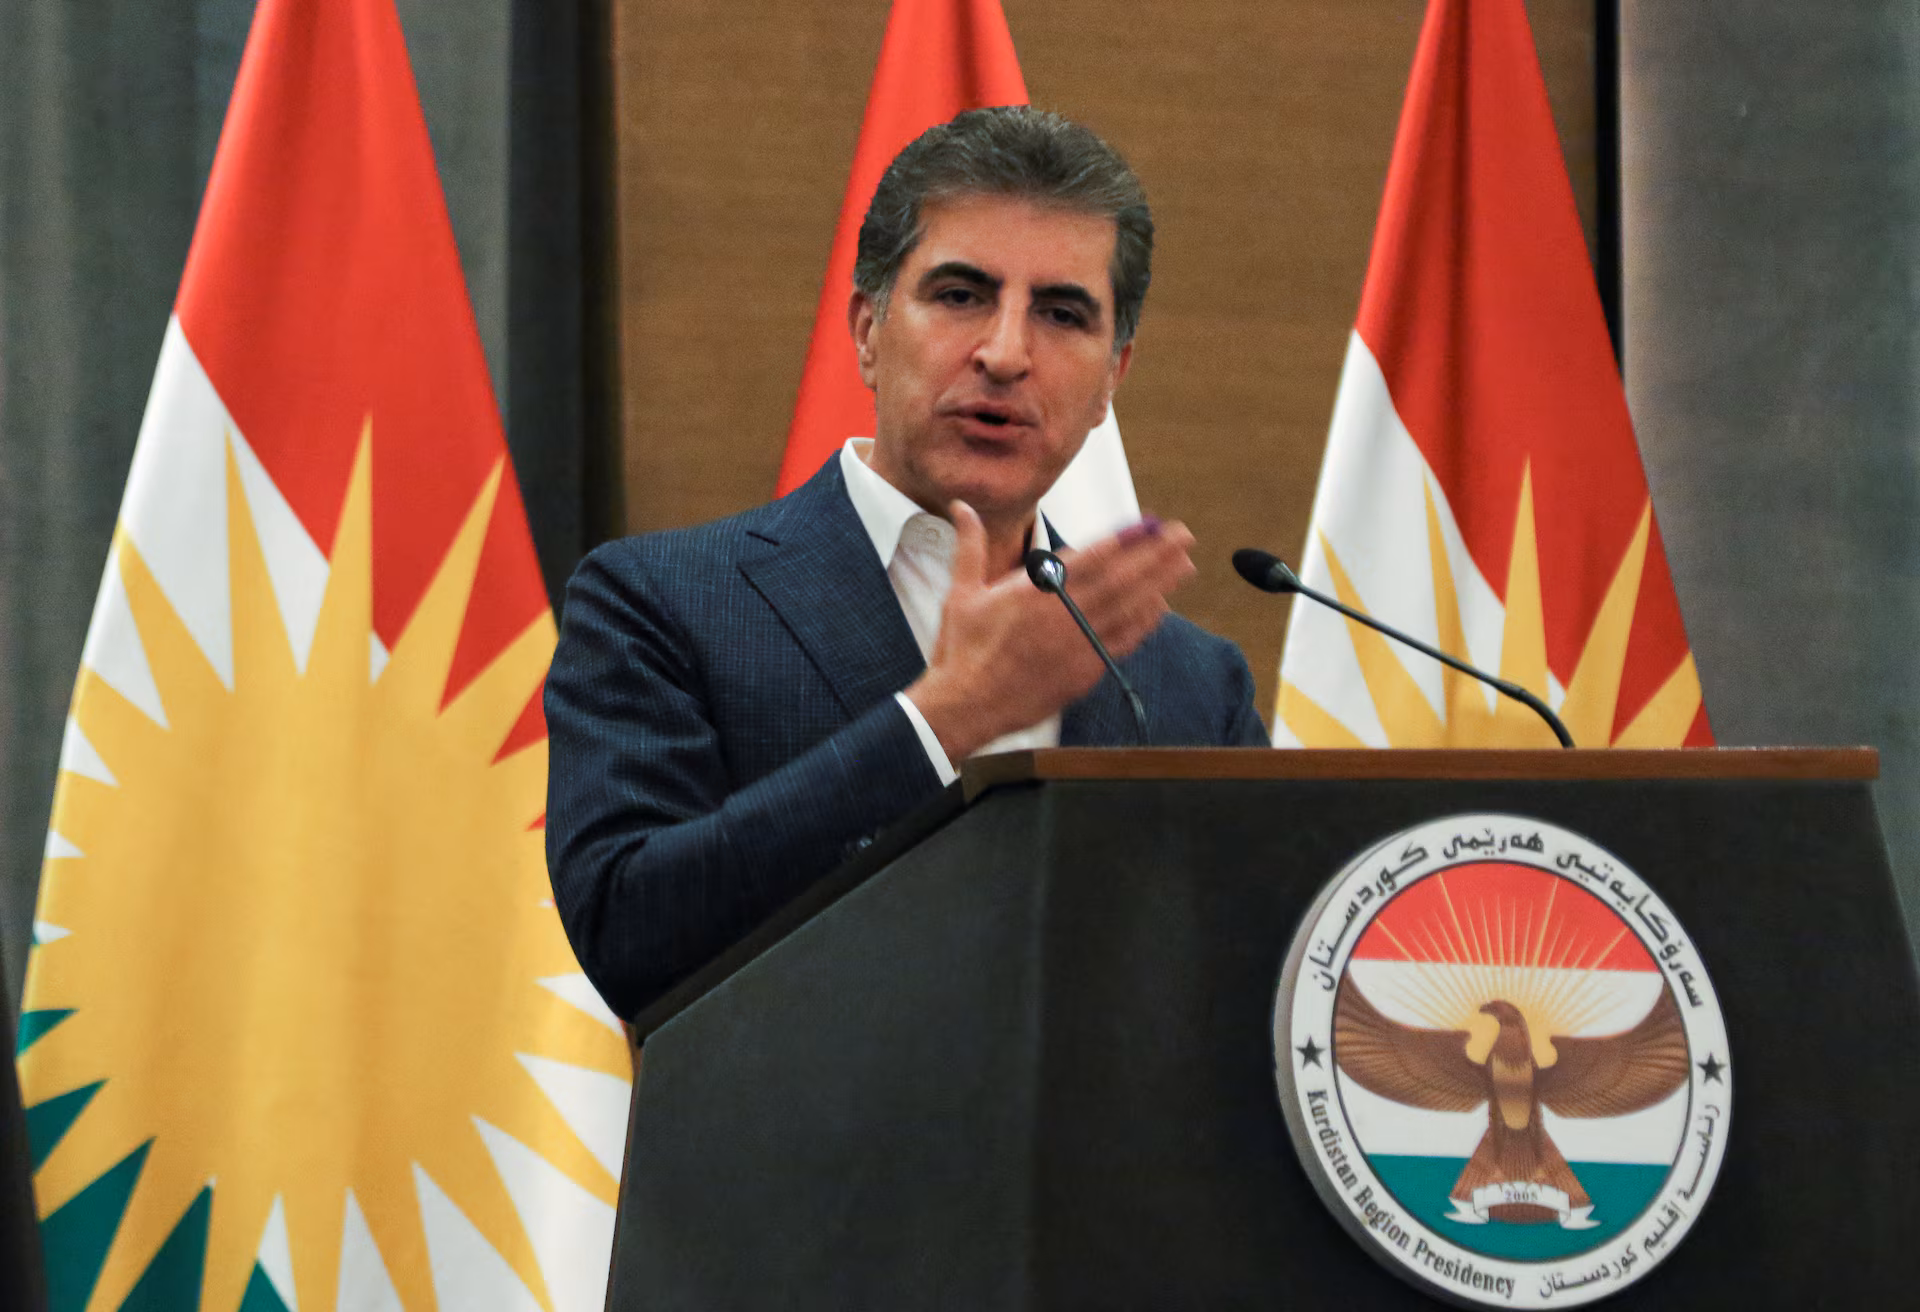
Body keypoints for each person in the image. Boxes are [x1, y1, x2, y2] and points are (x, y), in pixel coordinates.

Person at [545, 108, 1268, 1020]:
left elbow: (1250, 984)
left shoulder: (1193, 683)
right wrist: (949, 716)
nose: (1005, 354)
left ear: (1112, 378)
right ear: (867, 331)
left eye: (1060, 314)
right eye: (961, 295)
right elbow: (628, 934)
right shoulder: (663, 603)